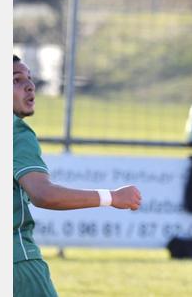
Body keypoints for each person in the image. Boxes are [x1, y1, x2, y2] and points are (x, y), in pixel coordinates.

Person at [13, 55, 142, 297]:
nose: (29, 86)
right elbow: (43, 194)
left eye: (29, 78)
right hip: (17, 264)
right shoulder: (16, 132)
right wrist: (111, 197)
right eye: (16, 80)